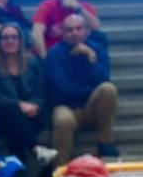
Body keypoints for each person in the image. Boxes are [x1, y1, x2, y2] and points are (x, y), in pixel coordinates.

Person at [46, 13, 119, 164]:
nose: (74, 33)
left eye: (79, 29)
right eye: (69, 30)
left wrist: (91, 58)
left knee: (108, 89)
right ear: (63, 33)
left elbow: (104, 80)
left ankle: (105, 143)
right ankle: (59, 167)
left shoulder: (97, 50)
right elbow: (63, 89)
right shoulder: (54, 54)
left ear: (87, 30)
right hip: (67, 108)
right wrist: (91, 89)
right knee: (62, 119)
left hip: (92, 108)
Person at [0, 23, 54, 167]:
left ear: (21, 41)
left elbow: (41, 93)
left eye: (14, 37)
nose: (10, 41)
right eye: (5, 38)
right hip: (4, 115)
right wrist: (19, 105)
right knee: (13, 112)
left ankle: (19, 162)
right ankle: (36, 149)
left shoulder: (33, 62)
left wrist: (33, 106)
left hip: (33, 114)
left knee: (24, 121)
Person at [31, 0, 101, 57]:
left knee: (100, 37)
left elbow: (96, 28)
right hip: (52, 55)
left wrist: (78, 8)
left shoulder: (86, 8)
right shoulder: (47, 6)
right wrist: (45, 58)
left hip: (79, 53)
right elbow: (36, 32)